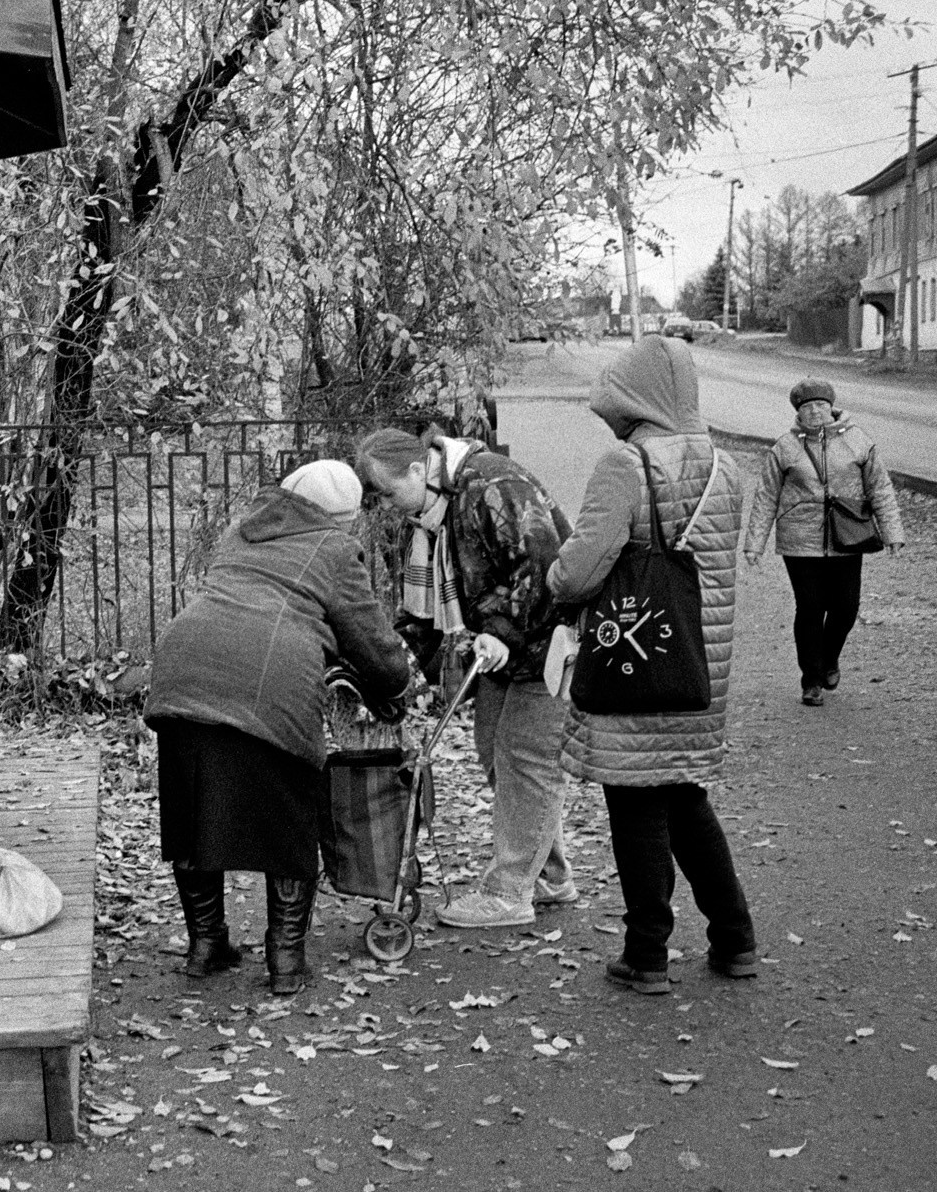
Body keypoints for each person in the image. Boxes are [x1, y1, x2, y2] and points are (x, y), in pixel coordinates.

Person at [143, 459, 411, 994]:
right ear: (342, 518)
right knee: (289, 824)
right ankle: (285, 961)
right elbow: (369, 639)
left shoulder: (242, 528)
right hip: (271, 683)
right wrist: (394, 688)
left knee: (193, 812)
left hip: (183, 668)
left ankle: (206, 944)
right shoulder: (333, 548)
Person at [549, 334, 756, 994]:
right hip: (698, 662)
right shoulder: (729, 468)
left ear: (633, 400)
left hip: (637, 663)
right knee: (688, 800)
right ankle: (736, 940)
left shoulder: (625, 466)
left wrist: (554, 574)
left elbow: (580, 572)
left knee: (637, 805)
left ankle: (647, 956)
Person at [356, 425, 575, 929]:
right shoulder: (435, 511)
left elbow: (542, 562)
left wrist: (502, 629)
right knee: (494, 753)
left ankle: (509, 892)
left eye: (390, 492)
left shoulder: (490, 484)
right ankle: (550, 875)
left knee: (526, 760)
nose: (389, 505)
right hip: (507, 646)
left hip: (547, 638)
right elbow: (426, 615)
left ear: (417, 470)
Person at [743, 377, 906, 706]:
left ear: (832, 407)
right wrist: (754, 543)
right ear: (798, 414)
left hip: (847, 535)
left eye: (820, 405)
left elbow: (880, 489)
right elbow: (766, 496)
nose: (815, 412)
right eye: (807, 408)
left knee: (846, 607)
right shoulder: (785, 448)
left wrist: (892, 532)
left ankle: (829, 657)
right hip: (799, 539)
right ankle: (811, 679)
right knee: (811, 607)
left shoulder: (858, 441)